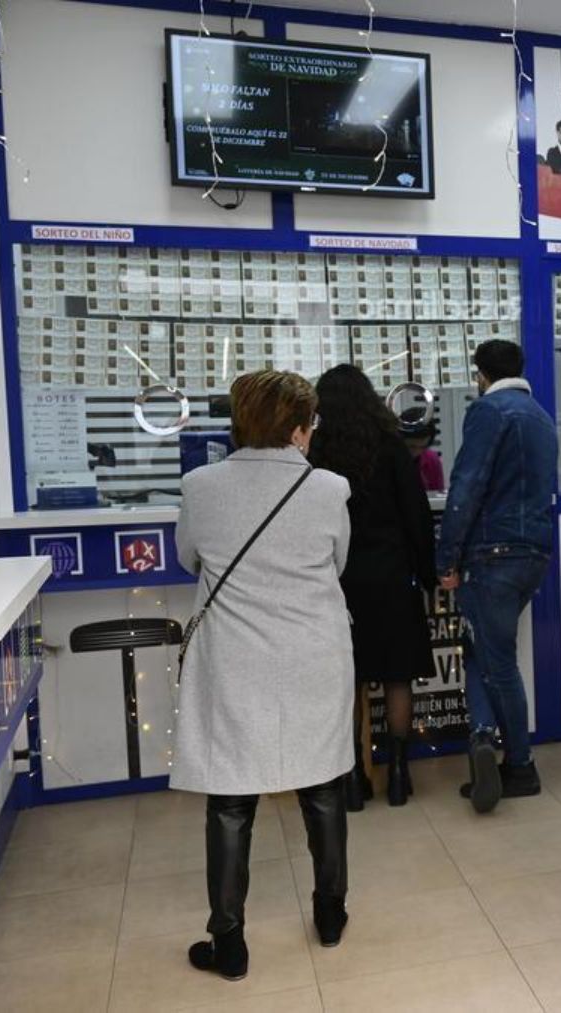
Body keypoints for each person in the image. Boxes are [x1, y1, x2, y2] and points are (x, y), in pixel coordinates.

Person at [173, 369, 355, 980]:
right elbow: (337, 561)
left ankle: (229, 943)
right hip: (315, 654)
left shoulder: (200, 486)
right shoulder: (330, 488)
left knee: (230, 800)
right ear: (301, 429)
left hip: (235, 659)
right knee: (323, 788)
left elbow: (188, 557)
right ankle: (331, 915)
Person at [309, 364, 437, 810]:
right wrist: (428, 573)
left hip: (336, 580)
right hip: (391, 576)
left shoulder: (317, 451)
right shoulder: (392, 447)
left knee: (349, 680)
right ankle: (399, 774)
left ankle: (352, 781)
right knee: (398, 676)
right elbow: (417, 515)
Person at [437, 339, 557, 813]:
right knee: (484, 652)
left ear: (480, 374)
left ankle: (521, 765)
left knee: (498, 661)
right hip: (533, 554)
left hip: (492, 554)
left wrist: (446, 557)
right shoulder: (540, 416)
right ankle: (482, 739)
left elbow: (467, 485)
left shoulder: (490, 411)